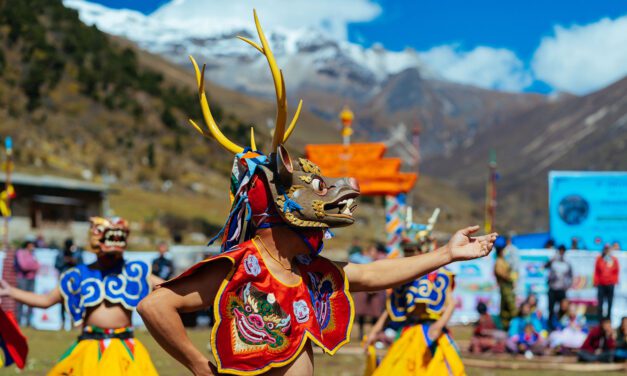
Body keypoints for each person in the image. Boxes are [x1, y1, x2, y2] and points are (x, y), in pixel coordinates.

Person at [136, 12, 498, 376]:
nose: (340, 191)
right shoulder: (241, 267)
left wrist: (447, 254)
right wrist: (199, 366)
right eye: (316, 189)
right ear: (280, 204)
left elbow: (373, 275)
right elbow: (155, 306)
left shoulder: (307, 270)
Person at [0, 217, 161, 375]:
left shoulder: (134, 271)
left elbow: (166, 288)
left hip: (125, 348)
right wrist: (11, 292)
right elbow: (45, 300)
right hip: (89, 347)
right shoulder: (78, 275)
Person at [54, 238, 84, 329]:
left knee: (74, 302)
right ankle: (62, 323)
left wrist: (74, 261)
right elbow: (57, 265)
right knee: (62, 303)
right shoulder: (61, 253)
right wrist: (65, 261)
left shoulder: (77, 253)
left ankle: (73, 322)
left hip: (75, 281)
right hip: (63, 281)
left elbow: (82, 266)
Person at [545, 245, 573, 330]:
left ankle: (562, 324)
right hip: (553, 288)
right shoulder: (553, 261)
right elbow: (545, 266)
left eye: (562, 251)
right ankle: (550, 326)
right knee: (551, 308)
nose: (561, 252)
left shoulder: (567, 263)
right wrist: (552, 259)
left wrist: (567, 286)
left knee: (563, 308)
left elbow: (571, 276)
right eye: (560, 250)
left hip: (561, 289)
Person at [14, 240, 39, 327]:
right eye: (31, 245)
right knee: (20, 300)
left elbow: (37, 266)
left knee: (31, 301)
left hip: (31, 279)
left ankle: (29, 321)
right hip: (22, 279)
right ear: (27, 245)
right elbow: (23, 265)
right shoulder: (21, 253)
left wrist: (31, 266)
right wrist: (32, 266)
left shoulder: (33, 254)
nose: (33, 247)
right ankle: (18, 321)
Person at [594, 244, 619, 320]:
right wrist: (596, 282)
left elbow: (616, 271)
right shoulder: (599, 259)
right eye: (605, 249)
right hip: (601, 285)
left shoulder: (614, 259)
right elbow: (596, 272)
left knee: (610, 303)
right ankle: (600, 320)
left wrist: (613, 281)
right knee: (600, 303)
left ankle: (608, 319)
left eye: (608, 249)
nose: (607, 250)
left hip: (610, 285)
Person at [494, 245, 516, 329]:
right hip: (504, 286)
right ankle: (506, 325)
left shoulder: (504, 260)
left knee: (506, 306)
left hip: (508, 286)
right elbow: (501, 273)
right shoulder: (499, 262)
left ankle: (508, 325)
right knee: (509, 304)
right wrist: (509, 276)